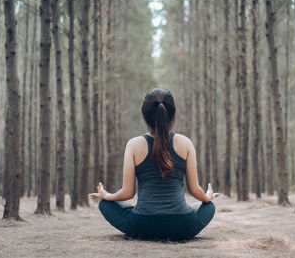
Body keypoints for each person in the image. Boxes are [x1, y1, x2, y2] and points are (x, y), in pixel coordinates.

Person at [89, 88, 219, 241]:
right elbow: (195, 190)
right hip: (182, 226)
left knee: (105, 204)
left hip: (141, 226)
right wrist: (207, 197)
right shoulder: (186, 143)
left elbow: (128, 193)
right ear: (172, 115)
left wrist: (107, 195)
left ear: (145, 116)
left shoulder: (133, 145)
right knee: (208, 206)